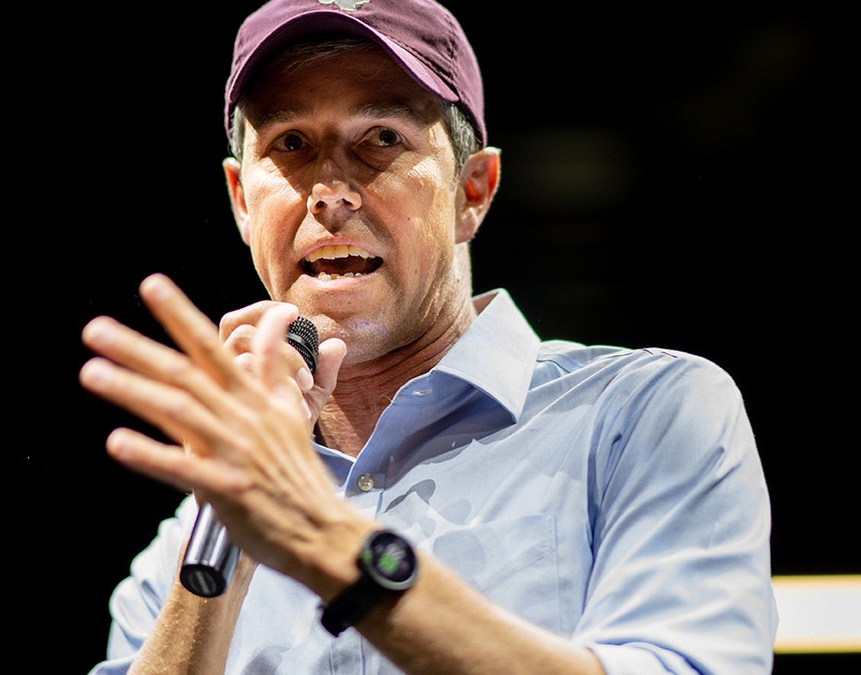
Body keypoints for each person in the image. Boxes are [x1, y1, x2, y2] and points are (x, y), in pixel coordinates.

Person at [79, 0, 778, 672]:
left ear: (473, 190)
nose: (331, 191)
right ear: (240, 199)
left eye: (381, 137)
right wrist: (224, 549)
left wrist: (324, 539)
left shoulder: (649, 416)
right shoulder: (184, 545)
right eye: (290, 144)